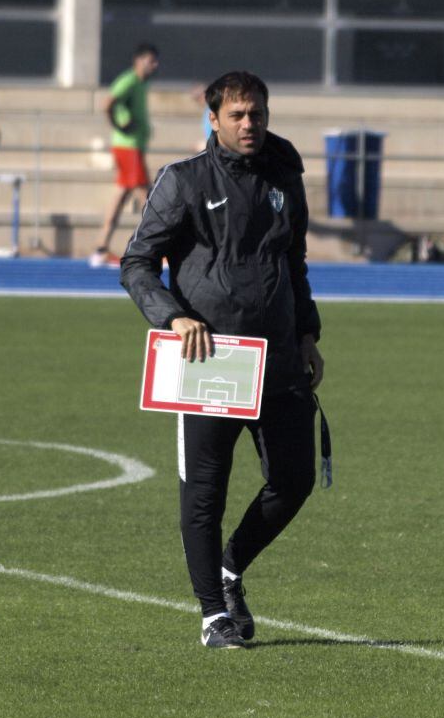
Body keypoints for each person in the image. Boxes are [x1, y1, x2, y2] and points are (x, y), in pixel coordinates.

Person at [120, 71, 325, 649]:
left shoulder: (286, 175)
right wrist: (171, 316)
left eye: (256, 113)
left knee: (294, 481)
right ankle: (214, 614)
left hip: (280, 359)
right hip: (210, 359)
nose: (249, 124)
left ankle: (231, 568)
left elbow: (295, 262)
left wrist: (307, 333)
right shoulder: (182, 181)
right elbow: (136, 264)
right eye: (236, 115)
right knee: (204, 493)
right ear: (213, 119)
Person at [91, 43, 160, 268]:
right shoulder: (128, 80)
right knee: (147, 199)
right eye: (151, 60)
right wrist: (118, 126)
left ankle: (100, 247)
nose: (154, 65)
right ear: (138, 60)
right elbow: (107, 104)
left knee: (120, 197)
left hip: (133, 147)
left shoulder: (141, 83)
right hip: (128, 148)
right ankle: (159, 249)